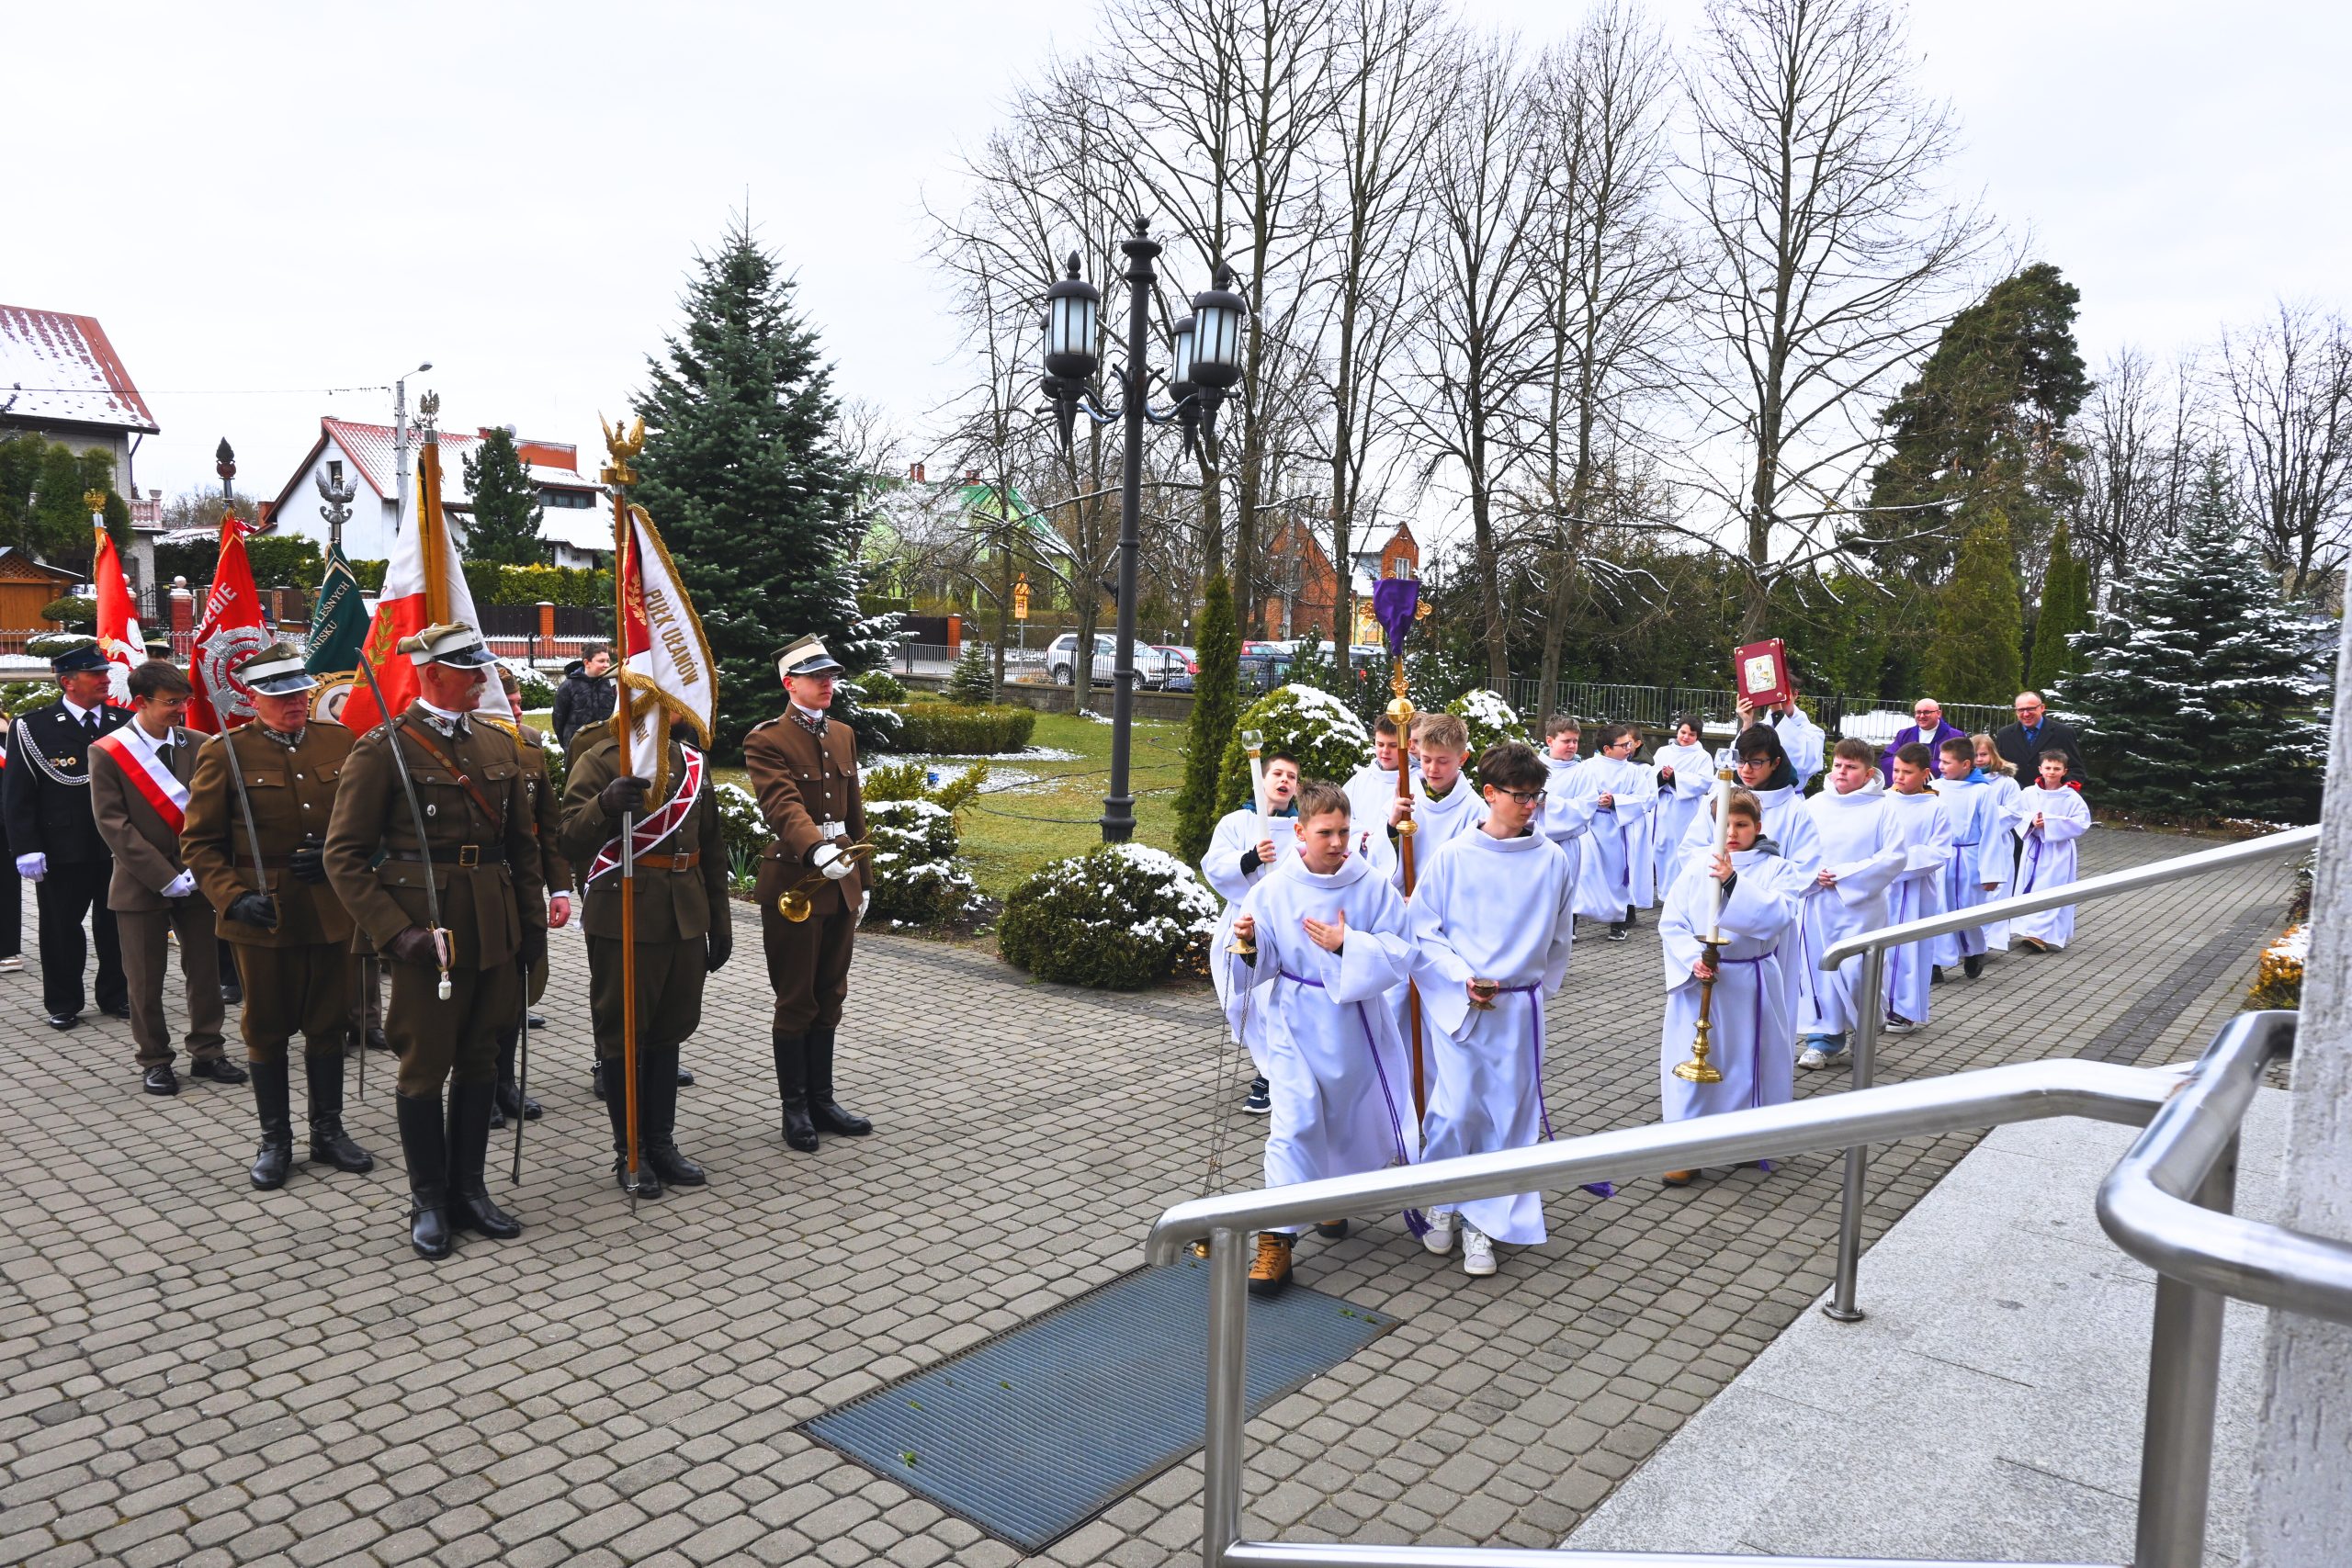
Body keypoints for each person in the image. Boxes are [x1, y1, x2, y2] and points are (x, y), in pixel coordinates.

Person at [322, 624, 548, 1258]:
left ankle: (469, 1189)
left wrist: (530, 926)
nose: (481, 678)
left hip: (493, 923)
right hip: (430, 931)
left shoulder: (496, 742)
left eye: (481, 667)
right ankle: (428, 1199)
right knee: (425, 1064)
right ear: (432, 673)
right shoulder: (383, 749)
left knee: (482, 1058)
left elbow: (522, 845)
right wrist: (396, 932)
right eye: (469, 669)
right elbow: (344, 855)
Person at [1216, 780, 1420, 1298]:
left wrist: (1348, 944)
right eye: (1325, 833)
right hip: (1295, 1021)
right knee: (1295, 1124)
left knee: (1345, 1121)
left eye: (1344, 832)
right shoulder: (1273, 889)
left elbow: (1402, 950)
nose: (1337, 843)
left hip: (1354, 1022)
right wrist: (1248, 942)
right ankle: (1276, 1240)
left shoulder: (1371, 884)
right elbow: (1258, 964)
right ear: (1301, 832)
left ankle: (1329, 1201)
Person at [182, 645, 371, 1189]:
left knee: (328, 1023)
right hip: (264, 911)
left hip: (330, 907)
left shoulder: (338, 740)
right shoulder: (226, 752)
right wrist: (232, 896)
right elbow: (199, 843)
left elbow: (364, 818)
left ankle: (328, 1130)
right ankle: (276, 1139)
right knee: (266, 1028)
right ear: (253, 698)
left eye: (300, 693)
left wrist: (335, 855)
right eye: (281, 696)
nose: (295, 703)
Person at [1411, 742, 1579, 1279]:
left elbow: (1560, 937)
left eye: (1536, 796)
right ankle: (1441, 1198)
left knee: (1508, 1115)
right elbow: (1422, 930)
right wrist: (1461, 978)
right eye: (1519, 796)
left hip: (1519, 1008)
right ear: (1489, 793)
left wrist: (1533, 992)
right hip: (1463, 1003)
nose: (1530, 806)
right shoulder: (1453, 857)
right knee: (1456, 1109)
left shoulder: (1552, 860)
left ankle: (1484, 1219)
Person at [560, 709, 731, 1196]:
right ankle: (629, 1151)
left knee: (668, 1032)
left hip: (685, 913)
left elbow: (712, 846)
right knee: (624, 1035)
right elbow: (567, 838)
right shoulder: (602, 759)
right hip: (626, 913)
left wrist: (720, 921)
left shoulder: (692, 761)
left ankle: (661, 1143)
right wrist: (604, 805)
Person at [87, 659, 240, 1097]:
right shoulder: (107, 751)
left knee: (205, 972)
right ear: (141, 702)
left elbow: (218, 811)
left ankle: (208, 1050)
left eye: (185, 701)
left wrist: (202, 866)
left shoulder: (201, 744)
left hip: (199, 879)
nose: (182, 710)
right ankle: (154, 1058)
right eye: (172, 702)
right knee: (144, 979)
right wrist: (165, 876)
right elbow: (113, 824)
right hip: (140, 883)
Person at [745, 635, 873, 1153]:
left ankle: (822, 1101)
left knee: (831, 994)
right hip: (795, 883)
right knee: (797, 997)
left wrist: (864, 880)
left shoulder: (842, 733)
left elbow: (854, 809)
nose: (827, 683)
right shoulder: (767, 739)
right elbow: (781, 804)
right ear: (788, 683)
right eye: (816, 676)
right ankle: (794, 1109)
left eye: (831, 675)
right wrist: (816, 848)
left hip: (841, 879)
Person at [1657, 788, 1812, 1183]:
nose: (1731, 833)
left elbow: (1778, 916)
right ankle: (1687, 1148)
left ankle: (1746, 1140)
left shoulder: (1777, 869)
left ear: (1757, 826)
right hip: (1702, 980)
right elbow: (1672, 922)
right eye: (1724, 825)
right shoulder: (1697, 867)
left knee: (1745, 1063)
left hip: (1750, 981)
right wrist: (1692, 959)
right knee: (1693, 1061)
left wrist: (1732, 882)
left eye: (1741, 824)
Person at [5, 638, 133, 1031]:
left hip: (116, 847)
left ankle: (116, 995)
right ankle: (63, 1002)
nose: (105, 679)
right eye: (95, 674)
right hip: (61, 848)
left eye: (105, 672)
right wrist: (25, 848)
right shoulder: (33, 726)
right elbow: (18, 794)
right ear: (68, 682)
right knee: (60, 929)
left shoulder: (123, 722)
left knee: (115, 926)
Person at [490, 667, 573, 1130]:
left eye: (521, 702)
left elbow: (548, 820)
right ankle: (477, 1085)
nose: (519, 711)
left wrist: (558, 886)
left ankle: (505, 1082)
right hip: (476, 881)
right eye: (511, 703)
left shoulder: (530, 743)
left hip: (521, 882)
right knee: (479, 991)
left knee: (518, 984)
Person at [1793, 739, 1909, 1070]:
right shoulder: (1814, 804)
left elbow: (1894, 856)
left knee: (1858, 971)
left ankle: (1865, 1030)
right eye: (1838, 765)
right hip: (1818, 903)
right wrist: (1812, 873)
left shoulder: (1883, 808)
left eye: (1851, 767)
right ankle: (1823, 1040)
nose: (1842, 772)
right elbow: (1796, 849)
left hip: (1860, 907)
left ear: (1869, 773)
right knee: (1821, 971)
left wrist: (1844, 875)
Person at [1203, 750, 1302, 1117]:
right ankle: (1269, 1068)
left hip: (1284, 927)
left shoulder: (1301, 827)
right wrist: (1250, 860)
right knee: (1238, 1000)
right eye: (1278, 773)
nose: (1284, 780)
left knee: (1272, 1003)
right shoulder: (1236, 822)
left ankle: (1271, 1077)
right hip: (1242, 919)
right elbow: (1214, 864)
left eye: (1292, 776)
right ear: (1262, 779)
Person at [1676, 725, 1823, 880]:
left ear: (1775, 763)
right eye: (1741, 761)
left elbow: (1805, 868)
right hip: (1716, 888)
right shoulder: (1718, 800)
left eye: (1756, 762)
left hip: (1766, 893)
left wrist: (1747, 881)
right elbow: (1690, 851)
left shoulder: (1794, 810)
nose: (1746, 769)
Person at [1879, 743, 1953, 1032]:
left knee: (1910, 948)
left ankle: (1905, 1010)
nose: (1898, 777)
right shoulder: (1882, 800)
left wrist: (1897, 863)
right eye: (1896, 770)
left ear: (1925, 773)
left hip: (1916, 889)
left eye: (1907, 772)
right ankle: (1877, 1005)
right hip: (1881, 886)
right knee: (1881, 947)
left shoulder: (1936, 807)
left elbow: (1939, 851)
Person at [1929, 737, 2010, 980]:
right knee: (1937, 909)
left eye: (1947, 762)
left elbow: (1990, 832)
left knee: (1968, 908)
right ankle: (1935, 964)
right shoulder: (1935, 787)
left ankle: (1973, 952)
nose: (1940, 766)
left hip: (1969, 858)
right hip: (1942, 858)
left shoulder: (1982, 791)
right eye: (1940, 761)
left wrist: (1991, 873)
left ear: (1966, 764)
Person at [1566, 723, 1655, 942]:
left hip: (1617, 830)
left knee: (1617, 877)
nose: (1629, 748)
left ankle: (1618, 923)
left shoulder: (1633, 771)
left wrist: (1615, 801)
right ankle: (1571, 924)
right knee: (1583, 875)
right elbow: (1575, 792)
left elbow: (1646, 799)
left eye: (1629, 744)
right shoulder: (1587, 767)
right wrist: (1594, 799)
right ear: (1607, 749)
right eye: (1623, 745)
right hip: (1590, 827)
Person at [2010, 750, 2091, 953]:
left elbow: (2082, 822)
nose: (2052, 772)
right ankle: (2029, 930)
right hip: (2033, 847)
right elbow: (2017, 813)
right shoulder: (2029, 793)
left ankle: (2040, 934)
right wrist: (2031, 820)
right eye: (2048, 768)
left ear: (2064, 771)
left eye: (2056, 768)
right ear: (2040, 769)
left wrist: (2050, 822)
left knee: (2051, 887)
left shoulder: (2071, 797)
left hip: (2058, 850)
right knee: (2030, 887)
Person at [1397, 712, 1486, 871]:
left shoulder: (1476, 811)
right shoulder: (1406, 795)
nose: (1433, 769)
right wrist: (1392, 826)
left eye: (1442, 761)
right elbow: (1383, 857)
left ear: (1462, 759)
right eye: (1426, 759)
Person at [1651, 716, 1714, 898]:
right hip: (1663, 806)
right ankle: (1664, 892)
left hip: (1686, 809)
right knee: (1662, 847)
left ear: (1698, 736)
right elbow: (1650, 774)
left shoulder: (1702, 756)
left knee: (1681, 848)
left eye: (1691, 734)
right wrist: (1662, 777)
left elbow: (1704, 782)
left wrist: (1674, 777)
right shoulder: (1663, 751)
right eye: (1683, 732)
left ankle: (1681, 893)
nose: (1686, 737)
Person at [1971, 734, 2023, 952]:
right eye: (1974, 755)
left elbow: (2015, 812)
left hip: (1999, 843)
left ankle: (1989, 941)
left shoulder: (2007, 783)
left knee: (1995, 892)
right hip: (1971, 845)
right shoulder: (1963, 782)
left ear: (1993, 754)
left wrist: (1986, 818)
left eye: (1983, 754)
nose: (1979, 760)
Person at [1735, 684, 1825, 791]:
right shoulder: (1757, 727)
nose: (1778, 700)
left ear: (1795, 694)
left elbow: (1802, 762)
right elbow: (1735, 760)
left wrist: (1777, 712)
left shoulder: (1813, 732)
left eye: (1783, 695)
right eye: (1772, 695)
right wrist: (1747, 722)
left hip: (1788, 796)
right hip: (1750, 795)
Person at [1994, 691, 2086, 790]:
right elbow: (1998, 768)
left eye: (2030, 709)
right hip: (2015, 795)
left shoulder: (2063, 733)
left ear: (2042, 708)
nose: (2026, 714)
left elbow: (2076, 770)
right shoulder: (2004, 735)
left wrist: (2061, 791)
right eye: (2021, 710)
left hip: (2051, 796)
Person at [1536, 715, 1597, 861]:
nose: (1572, 745)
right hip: (1535, 843)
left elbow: (1587, 806)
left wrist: (1549, 803)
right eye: (1566, 741)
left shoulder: (1582, 771)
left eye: (1575, 741)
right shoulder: (1533, 766)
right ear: (1550, 741)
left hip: (1567, 847)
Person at [1343, 716, 1416, 836]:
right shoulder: (1360, 778)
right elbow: (1342, 817)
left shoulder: (1418, 781)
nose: (1385, 751)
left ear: (1408, 744)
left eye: (1393, 745)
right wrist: (1362, 839)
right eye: (1380, 744)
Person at [1879, 697, 1966, 784]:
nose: (1922, 716)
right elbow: (1887, 758)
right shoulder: (1904, 734)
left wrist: (1917, 768)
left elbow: (1960, 763)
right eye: (1918, 712)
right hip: (1906, 788)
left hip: (1942, 788)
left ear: (1939, 713)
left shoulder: (1955, 737)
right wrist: (1908, 769)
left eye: (1927, 712)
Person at [551, 644, 616, 750]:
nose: (606, 665)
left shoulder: (612, 685)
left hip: (606, 748)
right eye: (601, 661)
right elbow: (558, 719)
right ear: (587, 662)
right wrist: (567, 746)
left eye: (608, 661)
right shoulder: (568, 686)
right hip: (577, 748)